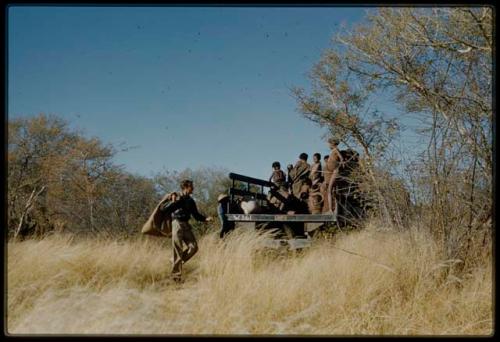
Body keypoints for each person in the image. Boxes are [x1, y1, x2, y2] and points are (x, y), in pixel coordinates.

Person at [160, 179, 213, 283]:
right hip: (177, 224)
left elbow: (196, 215)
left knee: (194, 247)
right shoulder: (176, 196)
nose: (193, 188)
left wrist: (206, 219)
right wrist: (172, 200)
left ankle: (174, 261)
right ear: (185, 187)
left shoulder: (191, 201)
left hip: (186, 225)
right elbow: (163, 209)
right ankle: (175, 278)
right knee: (178, 250)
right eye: (191, 187)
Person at [322, 138, 344, 214]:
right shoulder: (333, 151)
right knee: (332, 191)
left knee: (330, 190)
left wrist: (338, 167)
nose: (328, 145)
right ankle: (333, 209)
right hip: (331, 173)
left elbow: (342, 159)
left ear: (332, 144)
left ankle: (332, 210)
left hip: (335, 172)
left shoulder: (336, 150)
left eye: (329, 144)